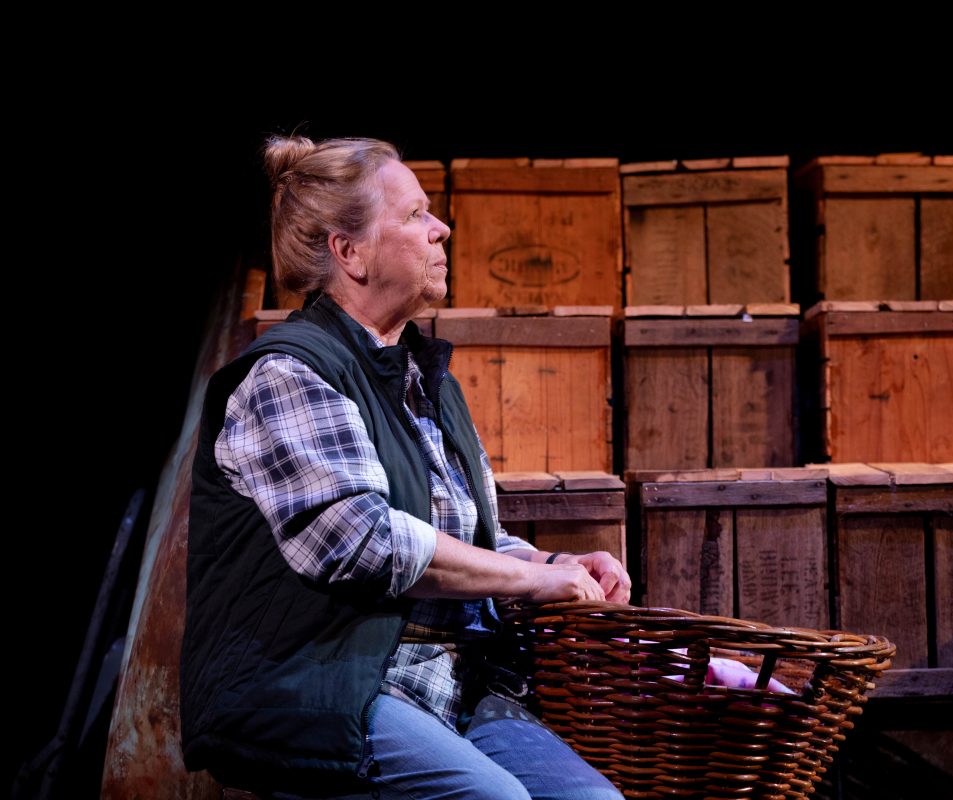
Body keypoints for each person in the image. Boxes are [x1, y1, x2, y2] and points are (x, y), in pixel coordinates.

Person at [180, 135, 629, 800]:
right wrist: (525, 582)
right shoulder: (289, 373)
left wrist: (549, 566)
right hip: (316, 683)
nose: (441, 228)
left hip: (445, 682)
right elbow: (368, 543)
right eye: (415, 214)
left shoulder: (429, 382)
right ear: (349, 251)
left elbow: (471, 542)